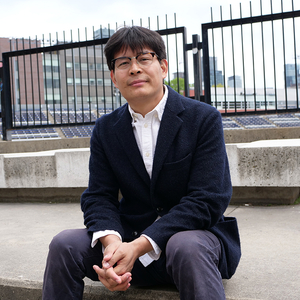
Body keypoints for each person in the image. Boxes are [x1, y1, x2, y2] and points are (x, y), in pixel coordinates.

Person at [42, 26, 241, 300]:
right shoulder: (105, 129)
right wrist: (113, 246)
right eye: (123, 63)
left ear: (163, 66)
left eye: (144, 59)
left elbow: (208, 199)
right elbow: (99, 196)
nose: (134, 69)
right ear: (114, 77)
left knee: (187, 245)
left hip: (190, 245)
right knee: (64, 244)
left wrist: (138, 246)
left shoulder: (202, 119)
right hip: (128, 244)